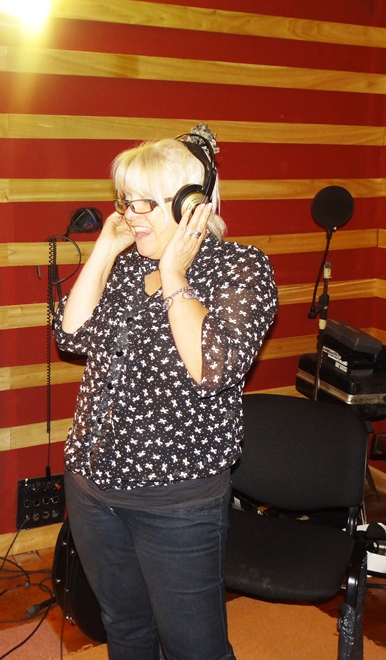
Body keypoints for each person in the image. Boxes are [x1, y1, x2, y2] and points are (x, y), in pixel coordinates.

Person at [54, 124, 279, 660]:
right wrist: (105, 249)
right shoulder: (127, 265)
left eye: (145, 204)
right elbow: (71, 334)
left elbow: (212, 369)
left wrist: (174, 272)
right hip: (92, 488)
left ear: (191, 205)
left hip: (176, 502)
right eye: (125, 202)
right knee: (124, 628)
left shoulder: (241, 268)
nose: (131, 215)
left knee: (193, 648)